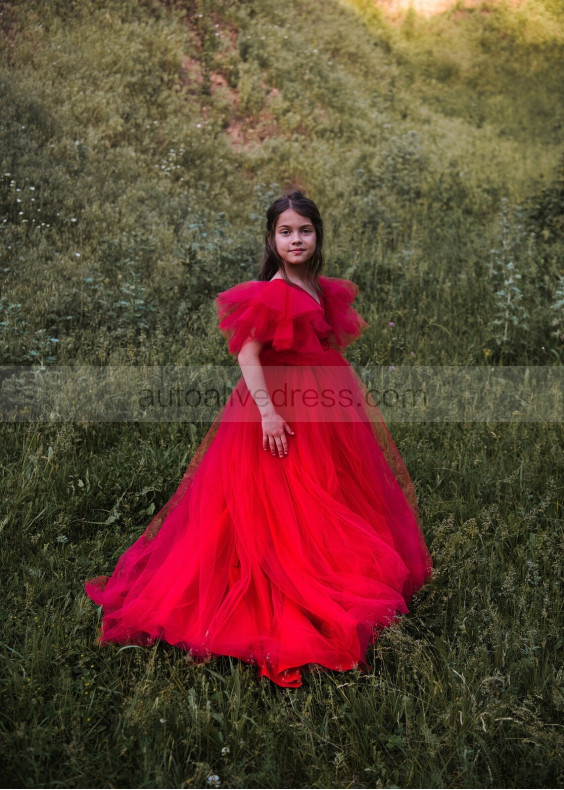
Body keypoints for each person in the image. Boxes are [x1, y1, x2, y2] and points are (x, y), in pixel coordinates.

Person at [85, 191, 432, 688]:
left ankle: (326, 561)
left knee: (328, 490)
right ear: (271, 239)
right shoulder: (270, 290)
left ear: (317, 235)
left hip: (321, 405)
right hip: (278, 407)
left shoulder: (317, 287)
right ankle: (275, 582)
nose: (296, 239)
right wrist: (268, 413)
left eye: (305, 230)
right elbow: (248, 355)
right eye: (286, 232)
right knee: (276, 497)